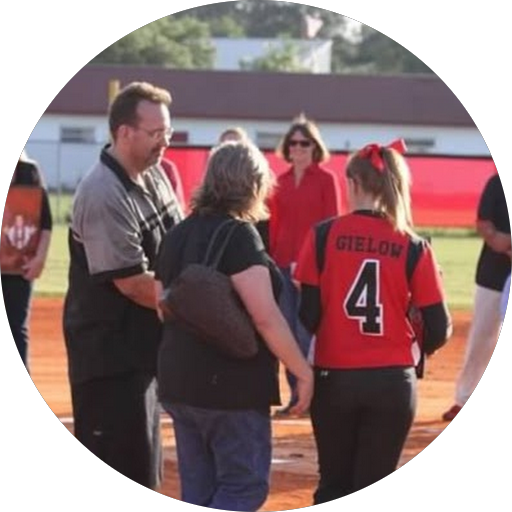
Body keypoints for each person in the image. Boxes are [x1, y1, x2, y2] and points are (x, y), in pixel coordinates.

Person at [154, 140, 313, 511]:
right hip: (231, 388)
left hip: (179, 381)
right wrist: (302, 372)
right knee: (243, 487)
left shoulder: (177, 233)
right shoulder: (240, 235)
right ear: (254, 185)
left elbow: (162, 305)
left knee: (199, 491)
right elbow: (265, 317)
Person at [294, 140, 452, 502]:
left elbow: (308, 315)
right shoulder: (414, 245)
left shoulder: (322, 235)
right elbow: (439, 328)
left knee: (333, 485)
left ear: (353, 184)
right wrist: (411, 348)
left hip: (335, 377)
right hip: (392, 381)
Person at [62, 82, 184, 489]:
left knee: (147, 467)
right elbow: (132, 283)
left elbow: (179, 240)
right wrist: (195, 308)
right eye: (156, 133)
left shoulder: (155, 173)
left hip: (142, 352)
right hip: (109, 362)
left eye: (167, 132)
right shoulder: (102, 192)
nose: (165, 142)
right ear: (124, 132)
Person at [269, 115, 342, 416]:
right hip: (282, 265)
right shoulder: (280, 181)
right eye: (293, 143)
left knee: (307, 331)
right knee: (285, 332)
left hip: (312, 268)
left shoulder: (326, 180)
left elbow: (331, 224)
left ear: (315, 147)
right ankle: (296, 397)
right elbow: (274, 225)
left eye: (304, 143)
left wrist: (317, 264)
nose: (298, 148)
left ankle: (314, 396)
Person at [443, 171, 510, 421]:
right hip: (493, 274)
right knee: (482, 337)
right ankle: (464, 397)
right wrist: (503, 244)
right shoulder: (496, 183)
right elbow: (483, 223)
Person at [2, 150, 52, 370]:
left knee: (17, 328)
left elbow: (46, 222)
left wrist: (40, 258)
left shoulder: (29, 172)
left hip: (19, 267)